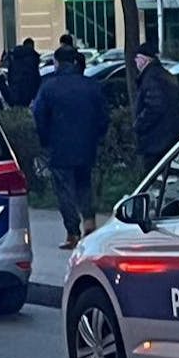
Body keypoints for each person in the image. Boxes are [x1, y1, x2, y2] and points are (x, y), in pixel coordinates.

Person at [31, 48, 108, 248]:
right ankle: (90, 223)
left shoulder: (49, 86)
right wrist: (96, 136)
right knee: (85, 185)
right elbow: (103, 116)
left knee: (64, 189)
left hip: (59, 146)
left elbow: (39, 115)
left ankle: (72, 233)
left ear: (56, 62)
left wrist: (45, 140)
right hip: (86, 144)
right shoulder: (90, 85)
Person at [132, 40, 179, 174]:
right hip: (166, 137)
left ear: (143, 60)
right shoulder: (162, 75)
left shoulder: (151, 78)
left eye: (137, 59)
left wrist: (139, 124)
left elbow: (154, 105)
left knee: (154, 175)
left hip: (156, 140)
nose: (135, 62)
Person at [7, 38, 41, 106]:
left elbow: (10, 75)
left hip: (15, 89)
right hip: (28, 90)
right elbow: (35, 77)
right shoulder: (33, 58)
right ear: (32, 46)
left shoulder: (15, 57)